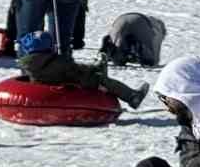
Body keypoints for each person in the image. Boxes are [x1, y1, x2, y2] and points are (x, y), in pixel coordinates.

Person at [14, 29, 148, 108]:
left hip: (45, 85)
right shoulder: (57, 61)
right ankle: (131, 96)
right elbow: (74, 70)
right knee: (102, 80)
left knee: (92, 73)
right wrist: (91, 69)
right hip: (67, 84)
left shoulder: (28, 64)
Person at [99, 12, 167, 67]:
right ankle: (131, 50)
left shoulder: (154, 21)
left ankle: (111, 52)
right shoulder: (158, 32)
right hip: (142, 23)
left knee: (118, 46)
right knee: (150, 60)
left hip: (120, 21)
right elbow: (155, 59)